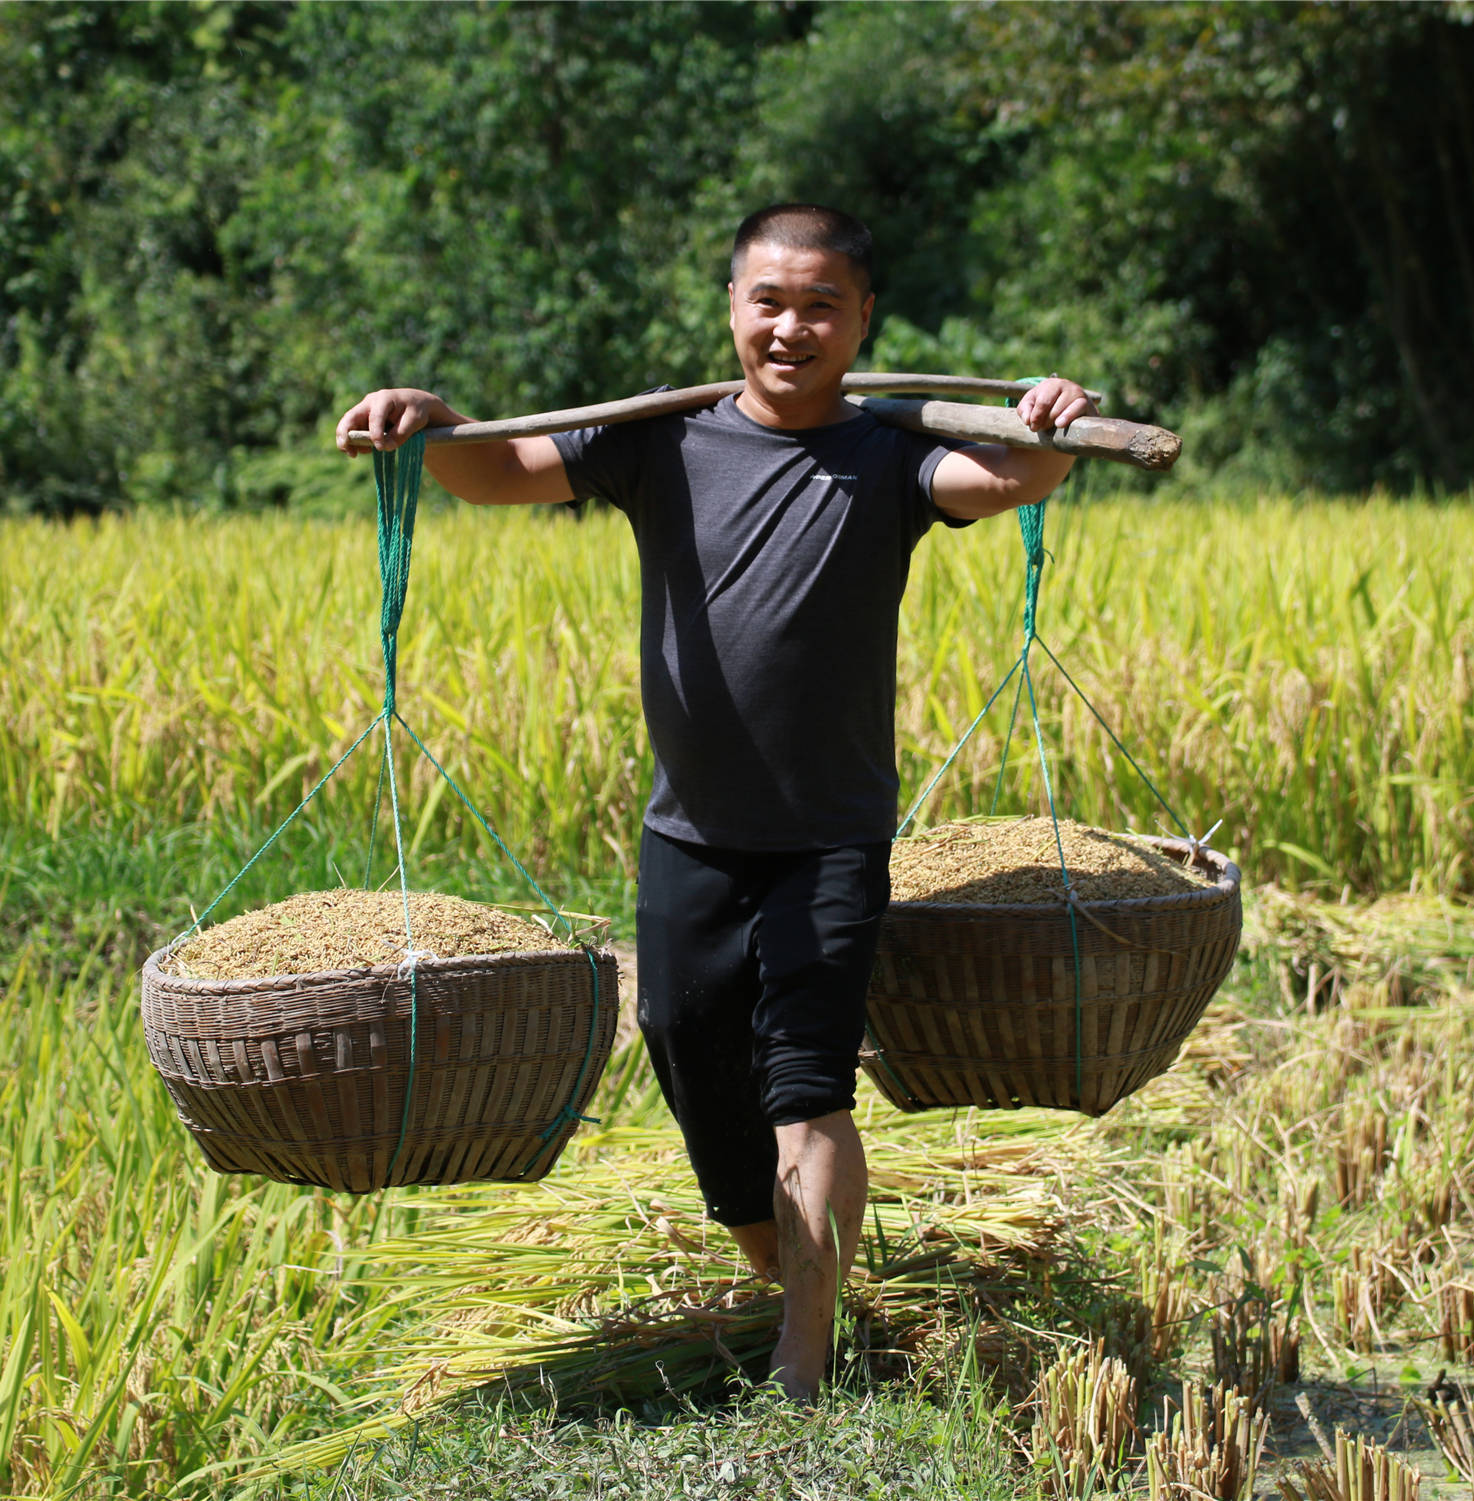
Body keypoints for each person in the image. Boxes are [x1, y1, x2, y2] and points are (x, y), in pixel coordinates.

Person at [336, 203, 1093, 1400]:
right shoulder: (662, 439)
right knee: (687, 1048)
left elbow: (1010, 474)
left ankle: (804, 1344)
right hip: (688, 831)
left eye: (820, 307)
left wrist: (1054, 420)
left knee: (806, 1080)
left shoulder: (890, 455)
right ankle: (789, 1273)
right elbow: (494, 472)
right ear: (732, 308)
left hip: (827, 837)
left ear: (861, 321)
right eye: (769, 303)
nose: (791, 328)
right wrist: (427, 423)